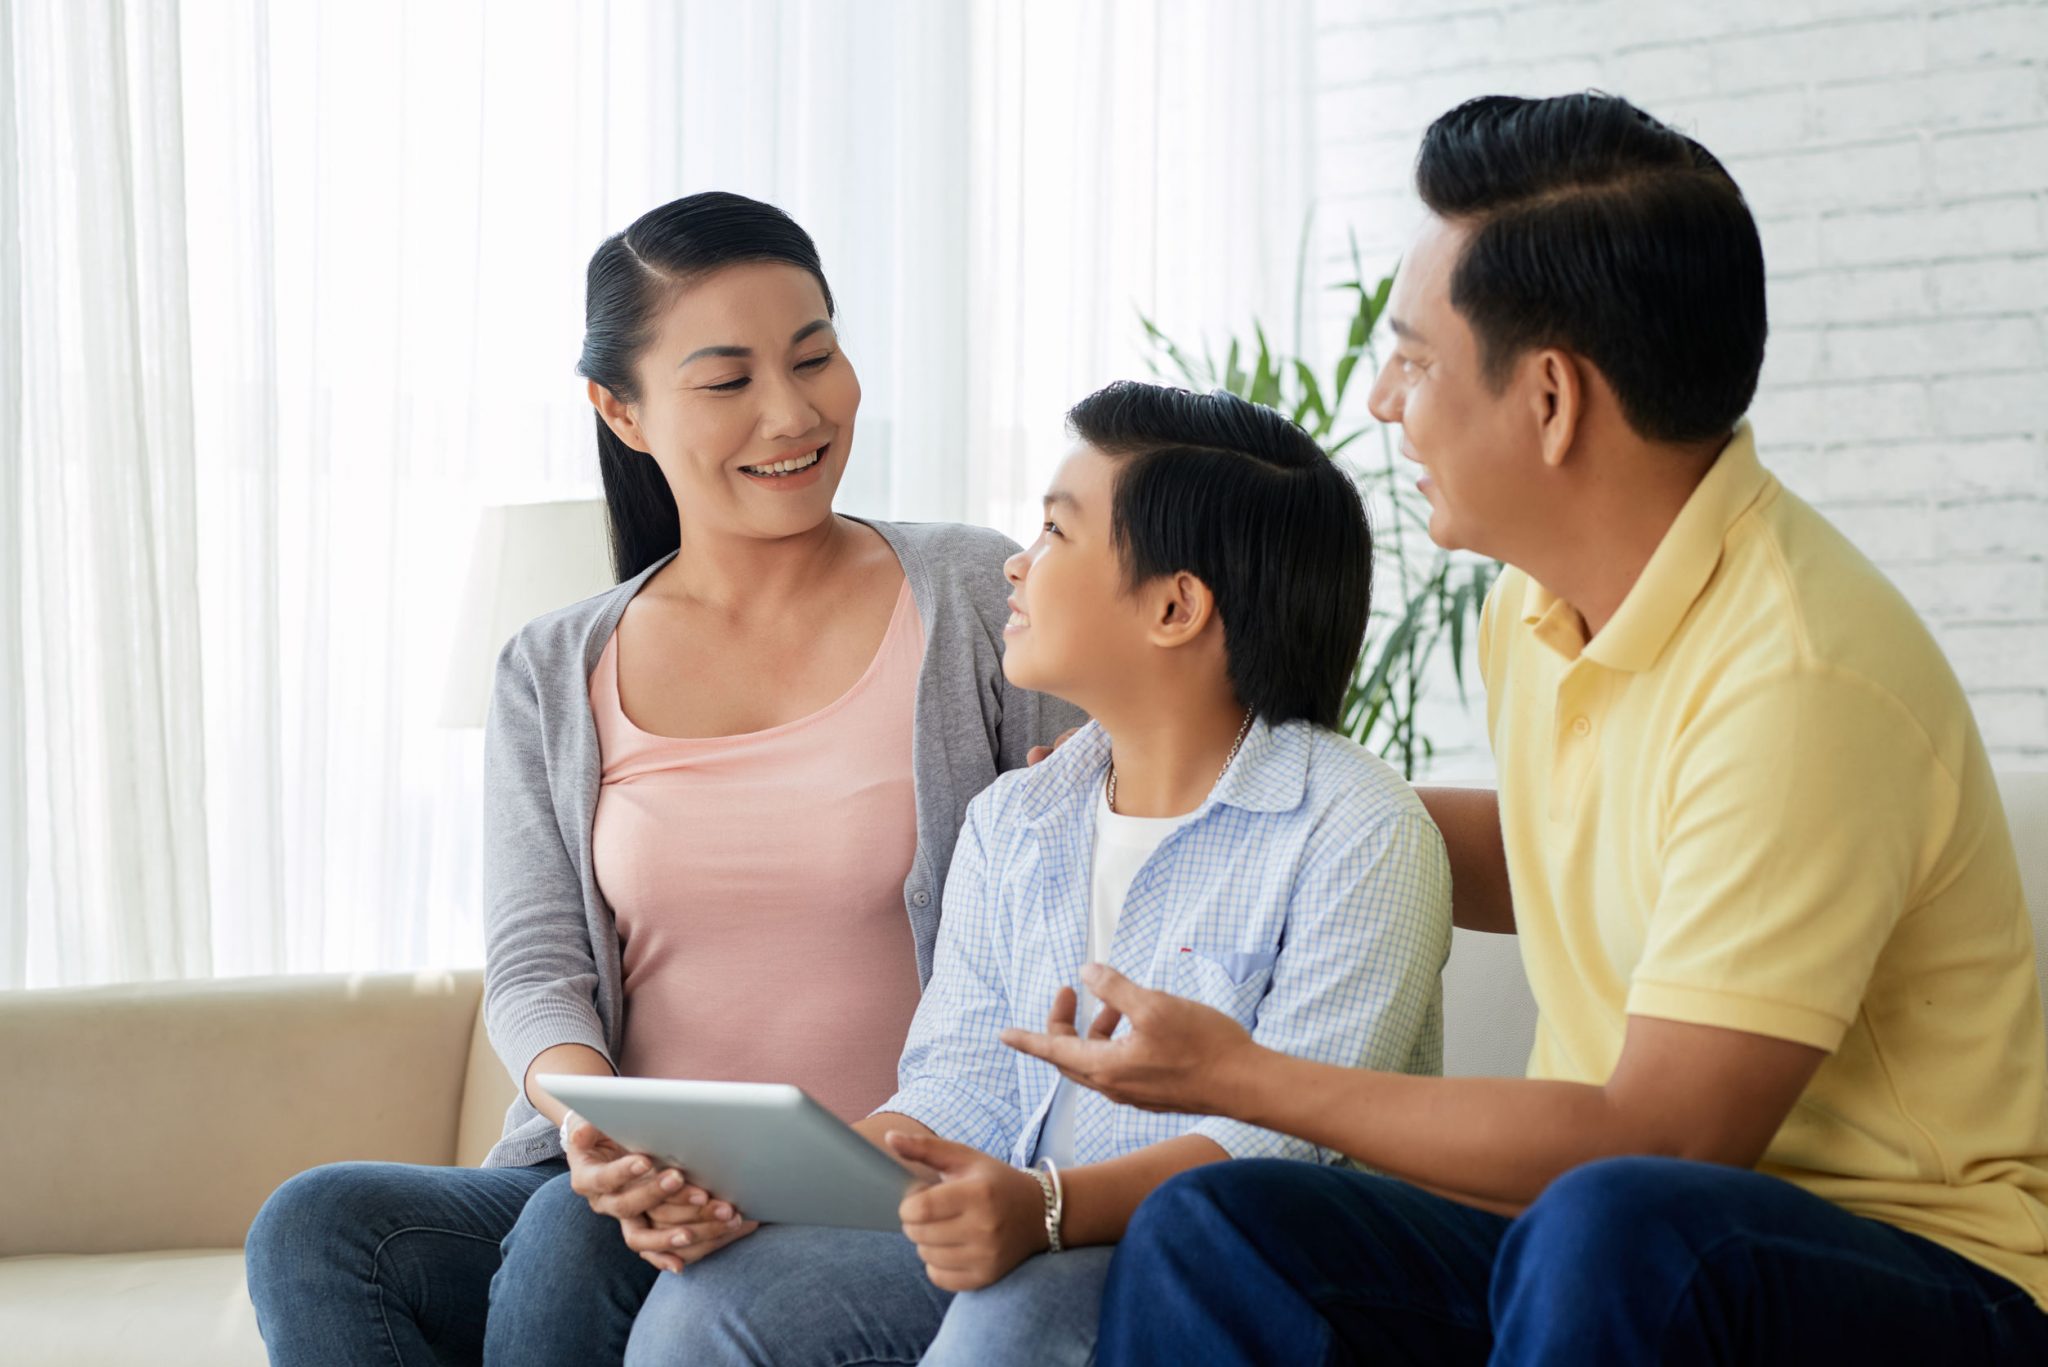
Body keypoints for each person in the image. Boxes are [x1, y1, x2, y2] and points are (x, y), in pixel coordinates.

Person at [1007, 94, 2048, 1365]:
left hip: (1899, 1277)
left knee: (1615, 1218)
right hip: (1597, 1245)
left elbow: (1662, 1141)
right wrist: (1219, 799)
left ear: (1548, 398)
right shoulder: (1536, 603)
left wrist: (1241, 1074)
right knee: (1219, 1226)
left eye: (1416, 358)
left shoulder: (1801, 679)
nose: (1384, 400)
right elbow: (1553, 849)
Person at [243, 190, 1080, 1366]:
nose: (793, 411)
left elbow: (1083, 897)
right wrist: (589, 1122)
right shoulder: (551, 664)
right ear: (619, 410)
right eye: (727, 379)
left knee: (573, 1241)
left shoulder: (979, 598)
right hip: (623, 1175)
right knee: (322, 1222)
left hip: (885, 1174)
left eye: (815, 356)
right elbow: (536, 966)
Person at [619, 381, 1453, 1366]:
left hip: (1232, 1270)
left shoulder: (1356, 829)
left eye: (1056, 534)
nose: (1015, 565)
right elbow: (960, 1083)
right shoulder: (1015, 818)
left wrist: (1047, 1208)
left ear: (1174, 605)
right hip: (1021, 1232)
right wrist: (767, 1187)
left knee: (1012, 1313)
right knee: (714, 1299)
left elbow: (1286, 1148)